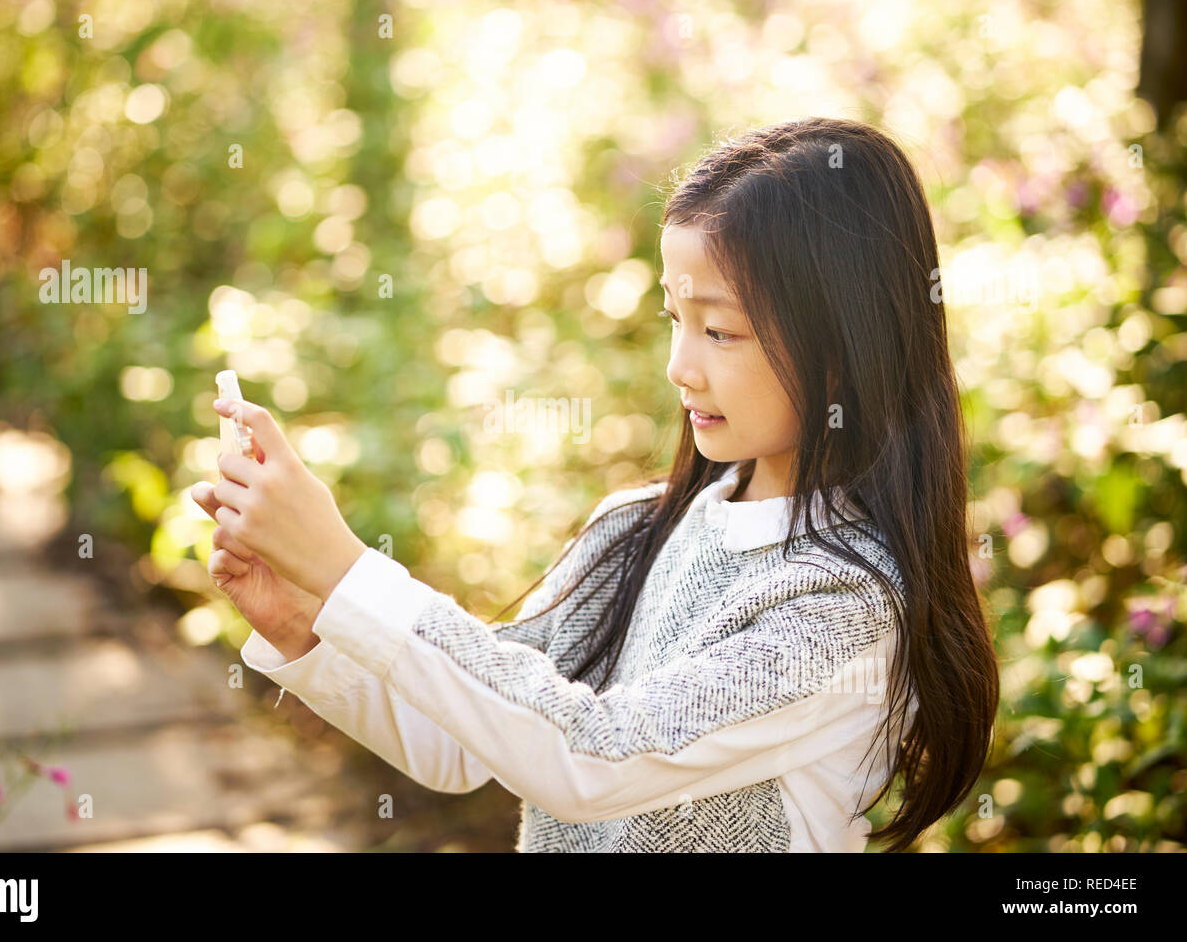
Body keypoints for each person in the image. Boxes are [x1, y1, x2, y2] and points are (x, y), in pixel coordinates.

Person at [189, 116, 999, 852]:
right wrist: (307, 620)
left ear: (844, 342)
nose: (680, 367)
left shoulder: (843, 607)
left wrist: (345, 567)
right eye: (673, 320)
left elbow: (591, 755)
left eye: (720, 330)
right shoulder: (638, 528)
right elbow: (466, 741)